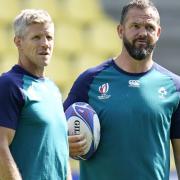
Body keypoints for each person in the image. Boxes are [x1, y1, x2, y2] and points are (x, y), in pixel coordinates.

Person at [64, 0, 180, 179]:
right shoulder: (89, 80)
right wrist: (66, 143)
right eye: (135, 26)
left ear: (158, 33)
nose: (142, 33)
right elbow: (54, 132)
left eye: (149, 27)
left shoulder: (174, 87)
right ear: (120, 30)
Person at [0, 9, 71, 180]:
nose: (45, 43)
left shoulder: (53, 89)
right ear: (18, 42)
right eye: (36, 37)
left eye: (49, 37)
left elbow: (61, 151)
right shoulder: (9, 85)